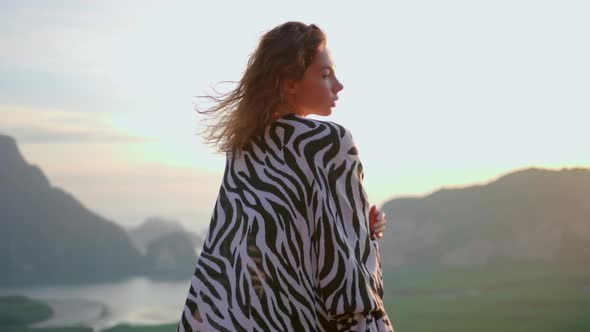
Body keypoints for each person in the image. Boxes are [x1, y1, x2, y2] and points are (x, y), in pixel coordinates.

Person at [177, 21, 393, 331]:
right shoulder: (331, 142)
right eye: (325, 74)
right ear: (290, 83)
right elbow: (347, 272)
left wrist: (359, 226)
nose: (339, 86)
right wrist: (368, 238)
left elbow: (227, 248)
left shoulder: (243, 145)